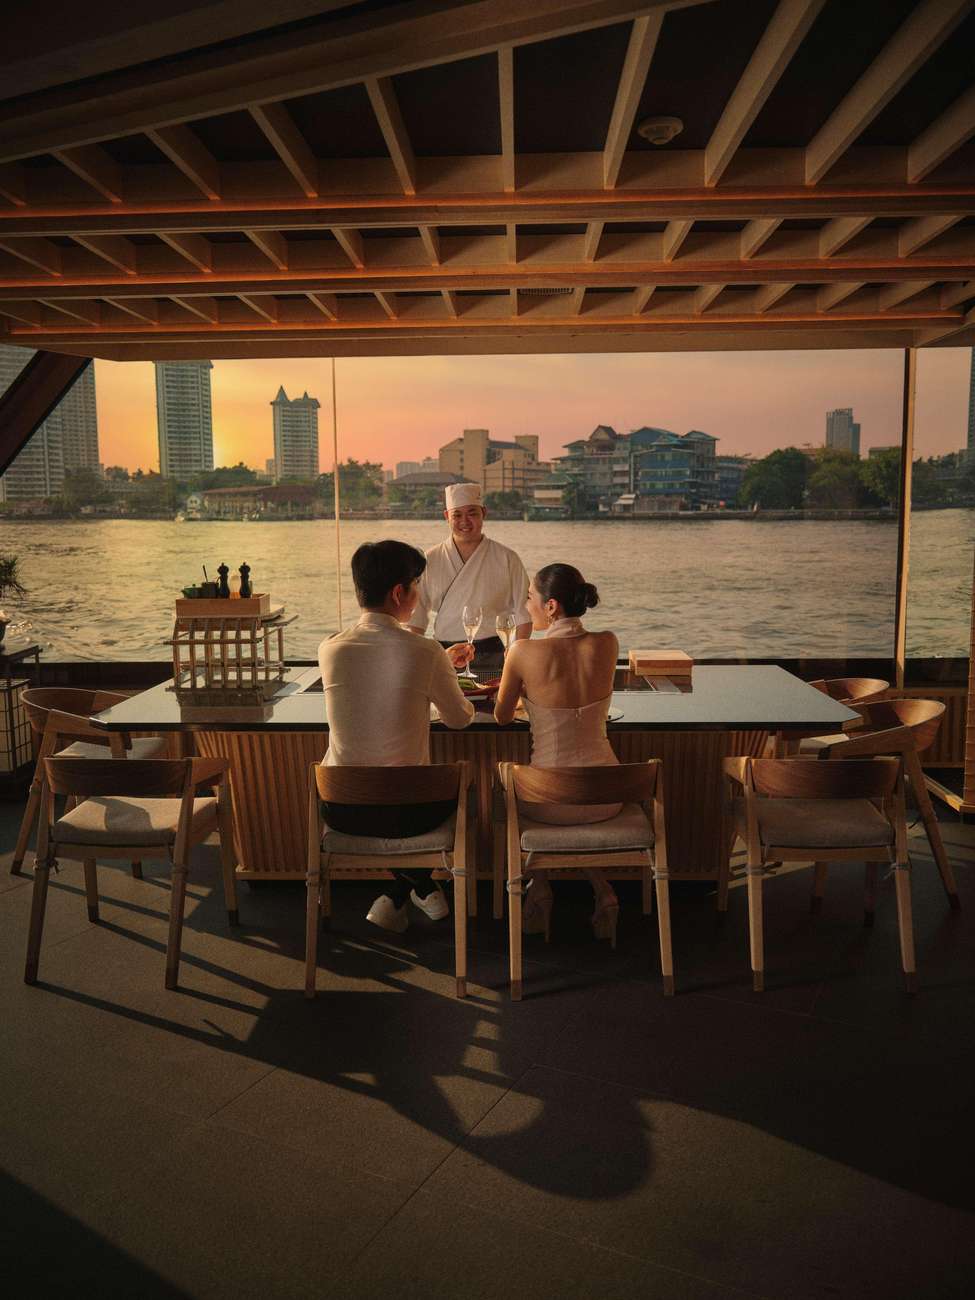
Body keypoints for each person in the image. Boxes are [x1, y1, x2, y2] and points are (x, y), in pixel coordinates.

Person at [317, 539, 476, 933]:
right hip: (411, 811)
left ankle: (398, 897)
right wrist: (441, 668)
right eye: (416, 585)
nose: (419, 594)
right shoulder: (425, 651)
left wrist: (437, 663)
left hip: (341, 807)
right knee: (469, 794)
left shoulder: (330, 650)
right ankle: (422, 888)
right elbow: (459, 719)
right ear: (399, 592)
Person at [493, 563, 622, 943]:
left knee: (518, 798)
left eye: (530, 598)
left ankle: (541, 887)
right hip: (606, 793)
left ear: (550, 607)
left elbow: (502, 716)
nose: (527, 605)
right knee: (569, 794)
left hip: (547, 796)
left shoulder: (521, 651)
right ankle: (603, 890)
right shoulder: (609, 642)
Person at [409, 481, 531, 672]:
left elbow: (524, 612)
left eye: (472, 513)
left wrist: (516, 657)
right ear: (447, 516)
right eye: (457, 515)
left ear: (484, 513)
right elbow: (416, 618)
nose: (465, 521)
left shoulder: (507, 557)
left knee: (494, 702)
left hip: (496, 655)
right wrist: (416, 660)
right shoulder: (430, 559)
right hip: (445, 653)